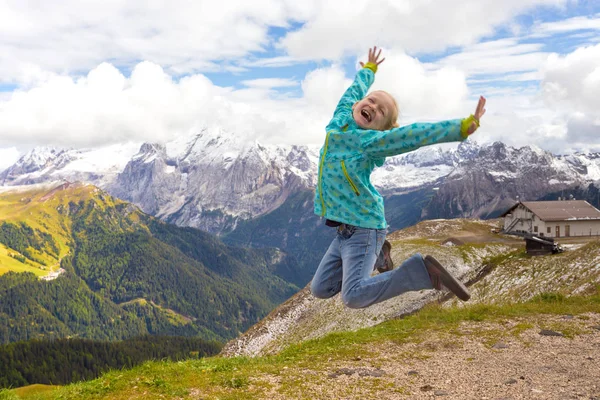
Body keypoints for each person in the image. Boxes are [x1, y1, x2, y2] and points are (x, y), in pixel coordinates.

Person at [310, 46, 486, 308]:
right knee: (321, 289)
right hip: (343, 231)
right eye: (371, 100)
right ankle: (379, 255)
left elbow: (413, 135)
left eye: (380, 111)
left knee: (354, 296)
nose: (372, 106)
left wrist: (459, 128)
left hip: (365, 227)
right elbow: (354, 90)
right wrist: (368, 70)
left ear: (382, 129)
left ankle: (420, 273)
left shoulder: (370, 142)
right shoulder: (340, 118)